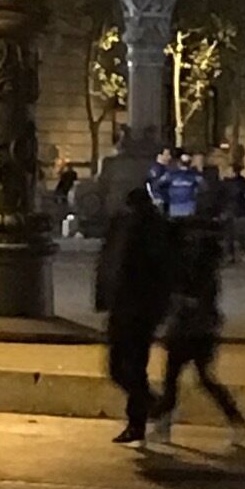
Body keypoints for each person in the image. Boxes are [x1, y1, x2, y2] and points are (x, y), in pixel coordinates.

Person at [147, 224, 245, 448]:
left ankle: (162, 425)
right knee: (201, 380)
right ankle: (234, 420)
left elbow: (191, 302)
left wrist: (175, 304)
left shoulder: (194, 274)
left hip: (189, 332)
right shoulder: (207, 274)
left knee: (175, 381)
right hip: (201, 332)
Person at [94, 184, 171, 444]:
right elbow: (110, 264)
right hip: (130, 307)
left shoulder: (145, 229)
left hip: (136, 308)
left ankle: (140, 417)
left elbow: (110, 264)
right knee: (127, 368)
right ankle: (149, 406)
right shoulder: (128, 226)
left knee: (128, 368)